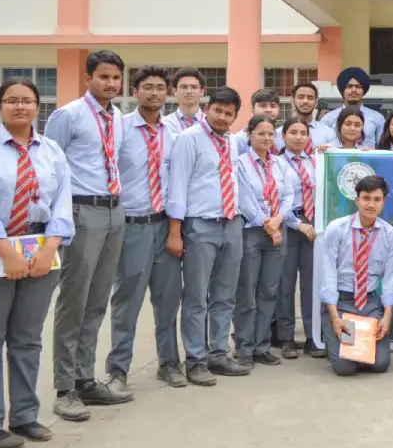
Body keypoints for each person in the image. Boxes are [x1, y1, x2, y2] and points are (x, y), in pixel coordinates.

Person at [0, 78, 73, 448]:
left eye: (27, 101)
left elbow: (63, 204)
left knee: (27, 339)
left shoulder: (52, 151)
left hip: (41, 250)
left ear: (38, 107)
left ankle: (24, 416)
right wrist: (7, 253)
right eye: (11, 101)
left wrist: (47, 248)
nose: (19, 107)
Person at [43, 49, 131, 420]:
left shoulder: (118, 118)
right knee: (74, 301)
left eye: (115, 78)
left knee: (97, 300)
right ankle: (64, 388)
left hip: (113, 211)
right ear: (88, 78)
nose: (110, 84)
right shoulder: (69, 116)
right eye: (104, 77)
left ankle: (84, 379)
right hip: (81, 211)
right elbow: (48, 168)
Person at [105, 66, 184, 393]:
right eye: (147, 87)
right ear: (135, 91)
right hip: (132, 226)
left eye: (160, 88)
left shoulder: (175, 133)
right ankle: (118, 370)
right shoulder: (119, 129)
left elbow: (179, 183)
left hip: (165, 225)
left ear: (167, 93)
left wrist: (177, 230)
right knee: (127, 300)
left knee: (168, 300)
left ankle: (169, 364)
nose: (154, 93)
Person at [167, 86, 250, 384]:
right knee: (196, 296)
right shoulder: (189, 139)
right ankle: (195, 359)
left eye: (230, 113)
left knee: (225, 296)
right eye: (219, 110)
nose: (223, 117)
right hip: (200, 226)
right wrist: (175, 232)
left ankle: (218, 353)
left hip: (231, 223)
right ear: (208, 107)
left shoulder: (230, 141)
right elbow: (177, 185)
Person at [320, 175, 393, 375]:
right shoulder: (336, 229)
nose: (371, 204)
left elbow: (391, 279)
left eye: (376, 199)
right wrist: (335, 317)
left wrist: (387, 316)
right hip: (342, 302)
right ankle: (339, 339)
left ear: (384, 202)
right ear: (357, 200)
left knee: (380, 364)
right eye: (366, 198)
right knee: (344, 368)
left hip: (370, 304)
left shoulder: (390, 234)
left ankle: (357, 347)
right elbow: (328, 274)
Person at [235, 115, 297, 368]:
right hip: (253, 231)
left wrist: (278, 219)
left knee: (268, 292)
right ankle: (244, 348)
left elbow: (289, 195)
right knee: (247, 294)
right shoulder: (239, 163)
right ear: (249, 134)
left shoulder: (280, 164)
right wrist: (267, 225)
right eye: (261, 133)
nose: (266, 138)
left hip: (277, 228)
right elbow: (244, 199)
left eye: (271, 134)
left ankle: (261, 346)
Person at [276, 118, 322, 359]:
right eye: (292, 132)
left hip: (313, 225)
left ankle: (313, 337)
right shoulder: (275, 163)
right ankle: (286, 337)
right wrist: (297, 224)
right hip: (287, 224)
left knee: (311, 283)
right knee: (285, 283)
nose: (298, 137)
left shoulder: (316, 161)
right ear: (283, 136)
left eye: (302, 133)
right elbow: (276, 197)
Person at [319, 67, 385, 147]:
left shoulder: (377, 118)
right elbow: (322, 147)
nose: (354, 90)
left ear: (363, 90)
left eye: (358, 86)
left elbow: (382, 148)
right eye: (349, 86)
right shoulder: (328, 119)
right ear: (342, 89)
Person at [275, 81, 336, 152]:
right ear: (293, 101)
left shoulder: (328, 133)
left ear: (315, 103)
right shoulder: (279, 133)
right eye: (301, 97)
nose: (305, 101)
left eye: (310, 98)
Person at [234, 88, 281, 154]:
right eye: (263, 106)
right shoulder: (239, 140)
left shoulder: (283, 136)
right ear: (252, 109)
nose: (268, 110)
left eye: (273, 106)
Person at [162, 66, 205, 135]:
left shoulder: (211, 124)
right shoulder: (165, 124)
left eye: (194, 87)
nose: (189, 91)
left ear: (202, 91)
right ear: (175, 91)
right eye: (184, 87)